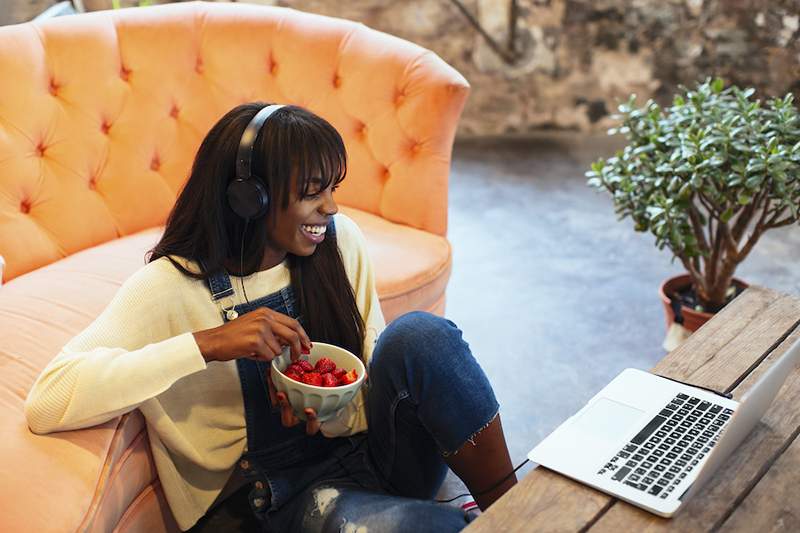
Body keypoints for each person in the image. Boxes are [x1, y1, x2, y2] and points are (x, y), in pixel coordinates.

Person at [24, 103, 517, 532]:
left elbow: (373, 356)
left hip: (373, 454)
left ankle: (520, 509)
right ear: (248, 198)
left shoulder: (340, 242)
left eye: (333, 188)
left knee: (421, 336)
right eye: (312, 192)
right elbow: (48, 400)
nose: (331, 207)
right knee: (442, 528)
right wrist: (207, 344)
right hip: (281, 500)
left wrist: (332, 415)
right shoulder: (168, 288)